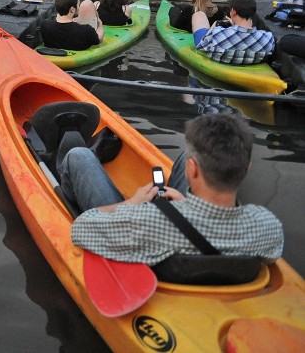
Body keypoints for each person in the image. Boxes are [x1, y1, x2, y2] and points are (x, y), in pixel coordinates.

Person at [67, 114, 283, 265]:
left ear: (193, 170)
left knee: (79, 156)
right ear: (247, 168)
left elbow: (81, 228)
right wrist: (187, 205)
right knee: (183, 156)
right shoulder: (267, 226)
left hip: (156, 235)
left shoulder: (143, 222)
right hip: (192, 234)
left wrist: (131, 203)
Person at [192, 0, 275, 65]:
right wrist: (235, 27)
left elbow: (201, 46)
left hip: (221, 55)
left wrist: (215, 25)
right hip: (250, 56)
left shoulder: (217, 33)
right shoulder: (268, 38)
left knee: (199, 15)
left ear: (233, 12)